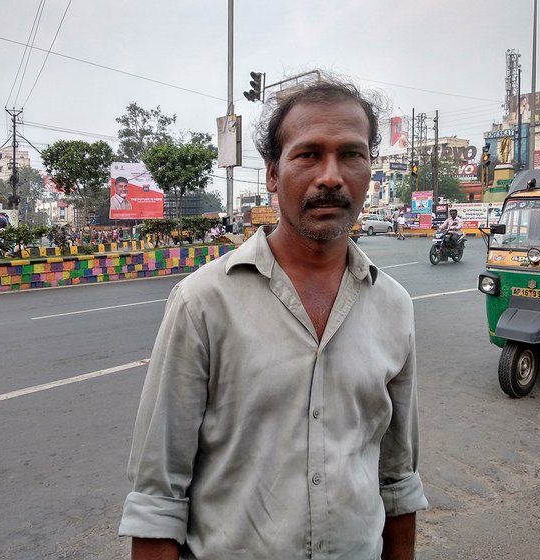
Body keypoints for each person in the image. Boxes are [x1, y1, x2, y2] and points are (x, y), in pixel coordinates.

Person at [119, 78, 428, 559]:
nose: (331, 176)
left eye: (352, 154)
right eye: (308, 155)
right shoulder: (202, 302)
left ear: (370, 167)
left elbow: (398, 478)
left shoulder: (394, 305)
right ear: (271, 173)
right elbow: (158, 499)